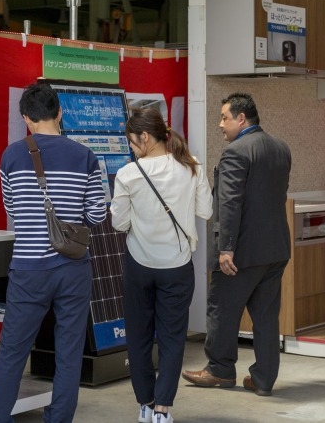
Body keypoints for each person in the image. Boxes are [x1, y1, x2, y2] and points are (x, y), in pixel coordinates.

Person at [0, 82, 107, 423]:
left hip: (29, 268)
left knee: (12, 350)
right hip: (73, 267)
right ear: (60, 112)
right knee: (69, 351)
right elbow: (97, 215)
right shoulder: (85, 156)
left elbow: (12, 208)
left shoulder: (11, 155)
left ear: (26, 118)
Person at [182, 92, 291, 397]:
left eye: (224, 117)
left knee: (222, 309)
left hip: (241, 252)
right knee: (267, 317)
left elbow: (229, 203)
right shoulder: (280, 148)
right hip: (275, 249)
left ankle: (219, 370)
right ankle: (264, 379)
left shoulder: (236, 152)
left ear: (241, 118)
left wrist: (225, 248)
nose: (220, 124)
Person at [110, 108, 212, 423]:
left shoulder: (127, 174)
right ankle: (163, 410)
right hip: (178, 266)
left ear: (144, 136)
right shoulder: (191, 167)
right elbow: (206, 212)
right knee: (171, 338)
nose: (131, 148)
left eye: (132, 141)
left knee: (139, 338)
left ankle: (145, 404)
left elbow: (119, 223)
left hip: (139, 264)